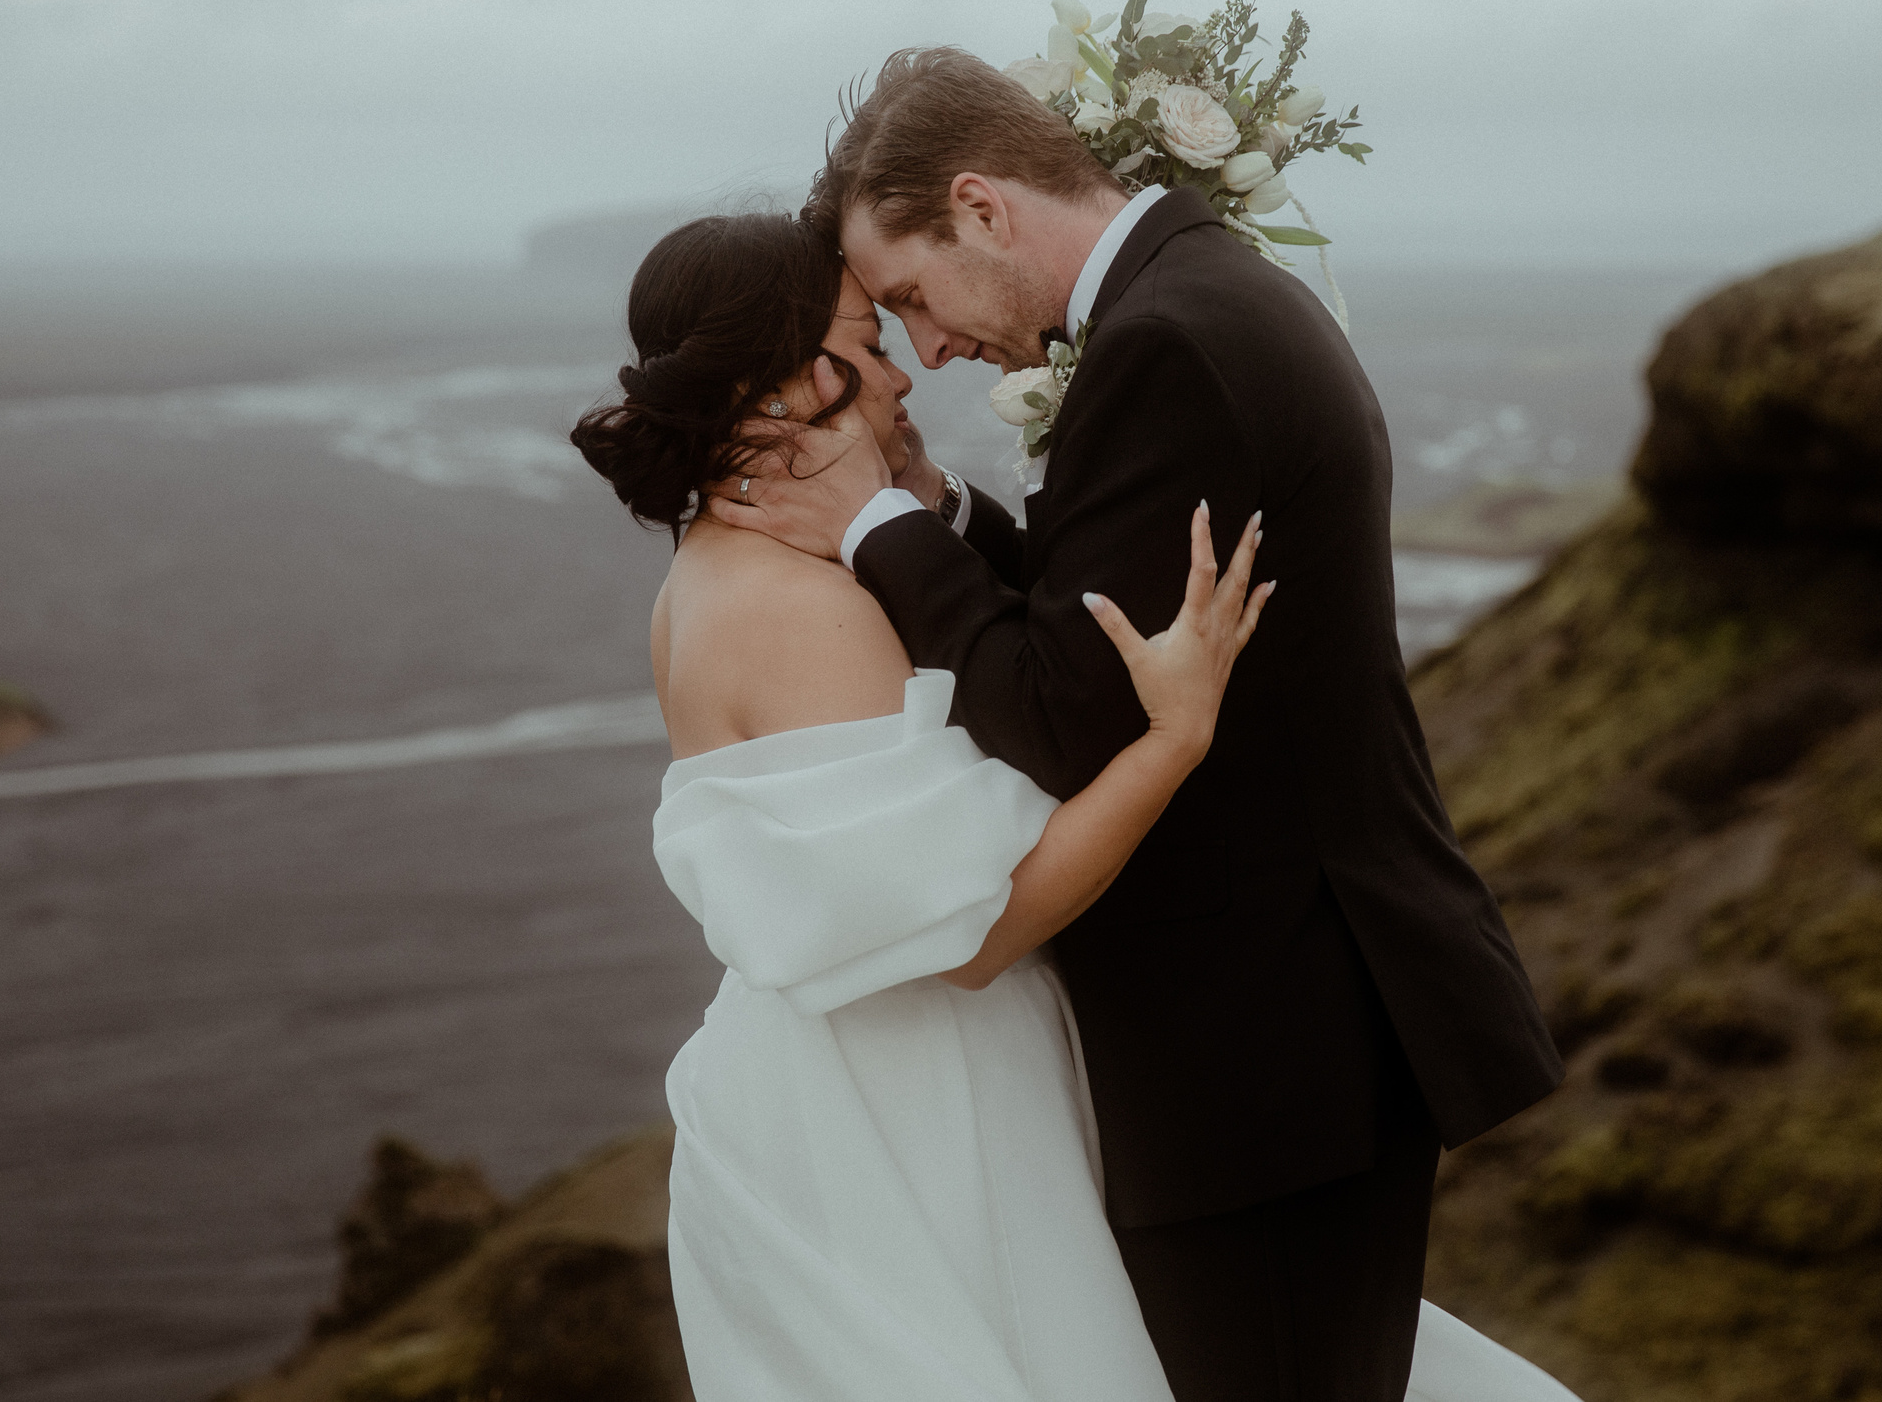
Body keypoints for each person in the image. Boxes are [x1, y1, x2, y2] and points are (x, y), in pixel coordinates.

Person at [574, 211, 1581, 1402]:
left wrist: (916, 504)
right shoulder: (803, 606)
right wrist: (1173, 739)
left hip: (841, 1086)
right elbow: (975, 935)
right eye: (868, 340)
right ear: (775, 383)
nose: (905, 371)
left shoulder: (712, 572)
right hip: (920, 1123)